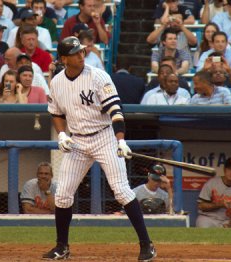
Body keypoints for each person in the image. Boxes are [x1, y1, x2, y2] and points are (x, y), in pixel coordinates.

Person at [44, 36, 156, 261]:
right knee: (63, 195)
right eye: (75, 53)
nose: (81, 55)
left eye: (81, 51)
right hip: (78, 141)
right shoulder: (57, 82)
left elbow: (116, 110)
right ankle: (62, 247)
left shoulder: (98, 77)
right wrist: (63, 134)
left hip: (104, 136)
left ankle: (147, 245)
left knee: (122, 191)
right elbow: (55, 112)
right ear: (64, 58)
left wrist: (121, 140)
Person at [196, 157, 231, 228]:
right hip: (208, 218)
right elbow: (201, 206)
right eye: (229, 169)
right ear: (224, 170)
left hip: (226, 221)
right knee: (204, 226)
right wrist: (219, 204)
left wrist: (230, 224)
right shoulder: (212, 183)